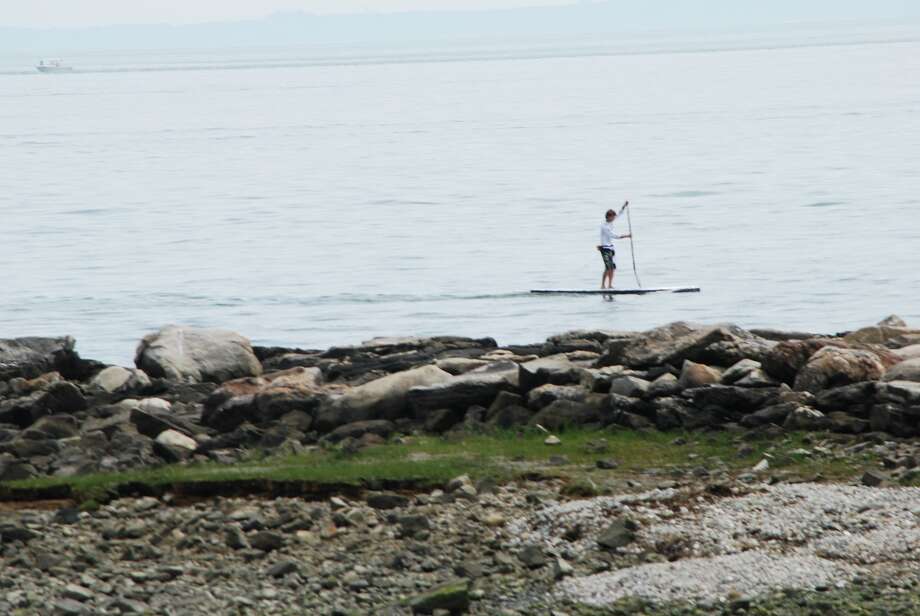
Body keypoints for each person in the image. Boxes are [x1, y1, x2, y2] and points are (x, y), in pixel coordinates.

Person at [597, 201, 631, 289]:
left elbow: (619, 215)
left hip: (611, 248)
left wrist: (624, 206)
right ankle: (602, 285)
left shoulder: (610, 222)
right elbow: (613, 235)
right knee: (608, 268)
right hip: (605, 249)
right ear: (608, 217)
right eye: (612, 217)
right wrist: (626, 236)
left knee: (612, 268)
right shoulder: (604, 226)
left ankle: (610, 285)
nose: (614, 218)